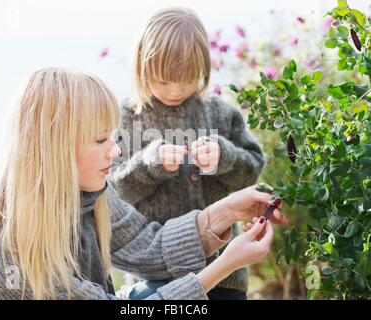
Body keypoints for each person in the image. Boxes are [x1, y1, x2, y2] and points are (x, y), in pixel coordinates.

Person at [0, 68, 287, 300]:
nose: (117, 150)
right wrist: (222, 268)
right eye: (101, 139)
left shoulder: (89, 194)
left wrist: (227, 210)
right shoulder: (12, 252)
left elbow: (148, 245)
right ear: (56, 149)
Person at [109, 7, 266, 299]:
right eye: (163, 81)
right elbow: (115, 193)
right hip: (156, 277)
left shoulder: (220, 114)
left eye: (188, 79)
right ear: (142, 70)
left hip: (224, 273)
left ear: (203, 69)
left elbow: (252, 170)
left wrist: (225, 158)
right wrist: (150, 164)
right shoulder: (129, 118)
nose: (175, 91)